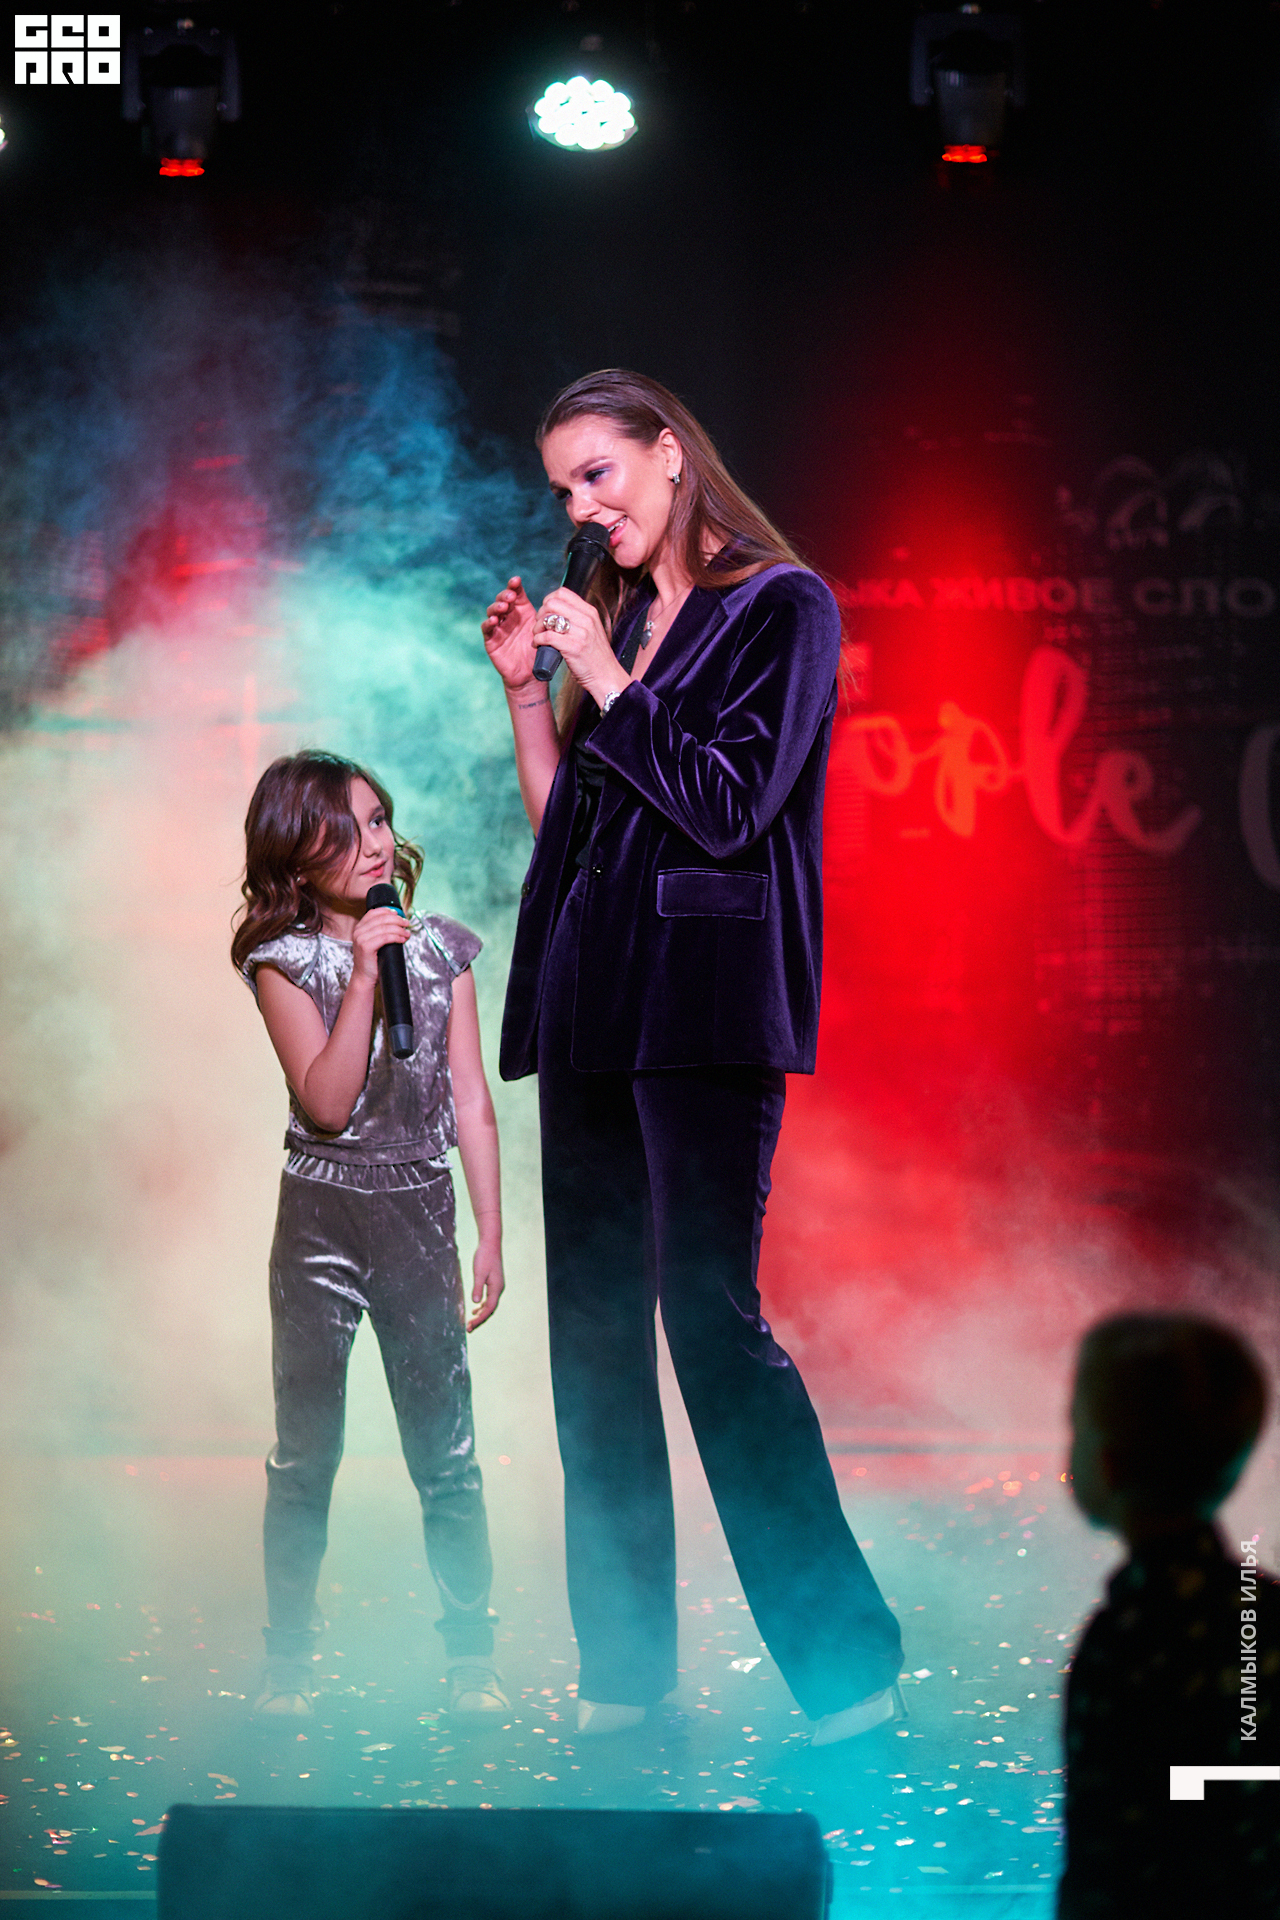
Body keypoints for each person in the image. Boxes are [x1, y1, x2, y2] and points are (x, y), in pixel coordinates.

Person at [482, 369, 903, 1741]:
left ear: (670, 455)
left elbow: (728, 807)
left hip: (703, 1011)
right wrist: (533, 697)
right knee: (594, 1344)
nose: (580, 507)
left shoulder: (783, 606)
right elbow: (570, 835)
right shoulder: (619, 624)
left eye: (597, 472)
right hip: (591, 1009)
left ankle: (844, 1664)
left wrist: (609, 677)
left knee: (707, 1324)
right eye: (563, 488)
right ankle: (622, 1671)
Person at [231, 750, 508, 1722]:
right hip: (321, 1219)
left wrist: (489, 1232)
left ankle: (471, 1657)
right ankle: (288, 1664)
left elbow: (471, 1100)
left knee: (447, 1452)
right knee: (305, 1455)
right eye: (345, 831)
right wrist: (358, 980)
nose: (374, 844)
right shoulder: (282, 963)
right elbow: (328, 1101)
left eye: (379, 820)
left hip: (419, 1213)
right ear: (297, 854)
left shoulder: (441, 953)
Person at [1060, 1311, 1279, 1916]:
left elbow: (1112, 1855)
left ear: (1109, 1463)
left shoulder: (1128, 1639)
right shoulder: (1265, 1608)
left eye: (1075, 1427)